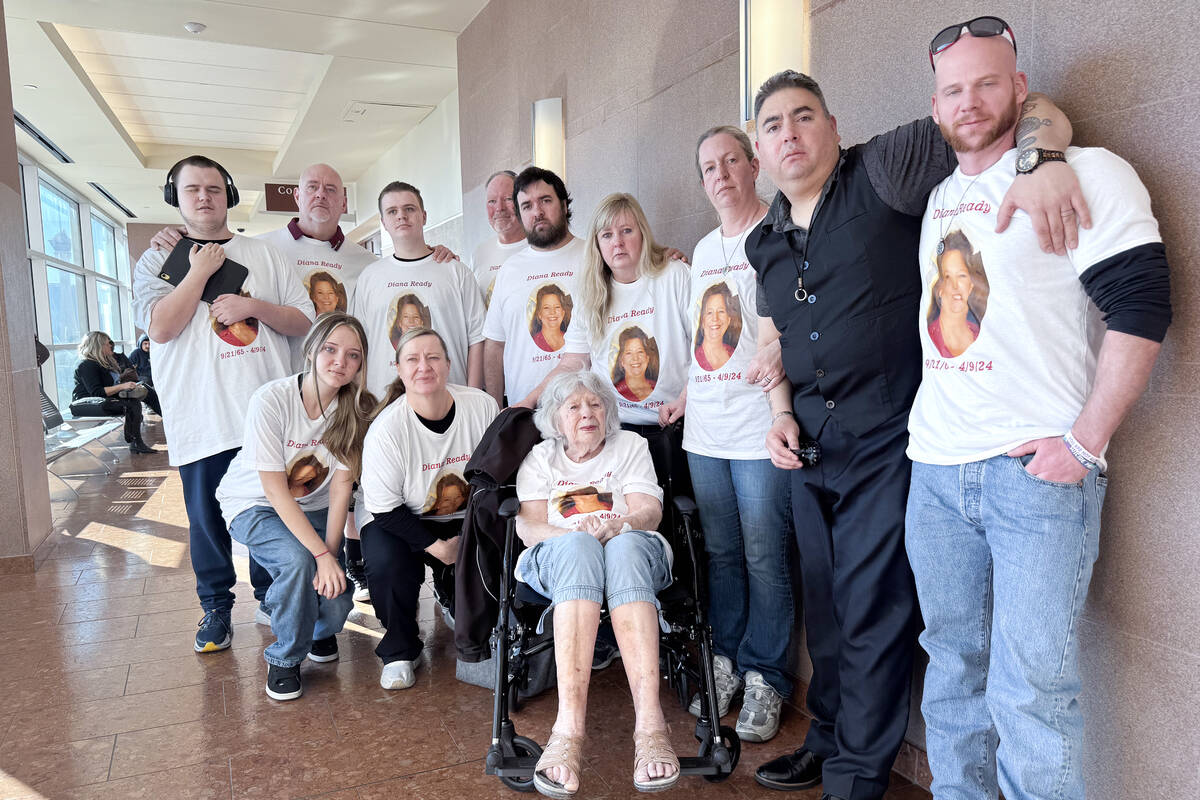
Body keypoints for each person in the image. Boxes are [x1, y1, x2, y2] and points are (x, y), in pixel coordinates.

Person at [746, 68, 1089, 798]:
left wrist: (1045, 160)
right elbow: (772, 331)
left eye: (804, 116)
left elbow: (1019, 114)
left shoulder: (883, 168)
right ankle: (830, 735)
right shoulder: (764, 243)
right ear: (759, 150)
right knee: (829, 608)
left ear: (833, 127)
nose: (790, 134)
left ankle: (854, 779)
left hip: (888, 439)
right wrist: (778, 410)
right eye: (773, 125)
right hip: (809, 444)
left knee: (872, 610)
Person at [905, 21, 1169, 800]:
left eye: (989, 83)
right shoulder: (939, 199)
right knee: (952, 678)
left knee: (1031, 696)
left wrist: (1084, 445)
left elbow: (1143, 307)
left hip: (1037, 481)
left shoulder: (1085, 172)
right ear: (936, 106)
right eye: (954, 90)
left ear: (1021, 89)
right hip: (936, 478)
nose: (971, 102)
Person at [132, 154, 315, 654]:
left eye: (213, 189)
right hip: (200, 414)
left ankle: (270, 596)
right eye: (192, 190)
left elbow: (304, 322)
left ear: (228, 194)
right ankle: (215, 606)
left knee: (269, 510)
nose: (204, 198)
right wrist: (198, 272)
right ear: (176, 198)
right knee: (206, 520)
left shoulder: (266, 254)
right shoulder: (157, 261)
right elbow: (162, 328)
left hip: (263, 416)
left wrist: (252, 306)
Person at [680, 125, 793, 743]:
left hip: (757, 429)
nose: (720, 174)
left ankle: (767, 676)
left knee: (765, 556)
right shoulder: (700, 251)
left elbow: (777, 334)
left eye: (730, 161)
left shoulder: (774, 238)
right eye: (708, 168)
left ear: (754, 166)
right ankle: (724, 660)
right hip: (705, 430)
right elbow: (703, 337)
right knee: (721, 554)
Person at [514, 369, 678, 797]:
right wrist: (575, 536)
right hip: (561, 558)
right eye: (574, 406)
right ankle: (567, 731)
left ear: (608, 411)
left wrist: (619, 524)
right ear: (555, 417)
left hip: (630, 554)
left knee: (622, 546)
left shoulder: (631, 446)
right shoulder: (539, 459)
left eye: (596, 404)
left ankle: (651, 726)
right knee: (580, 550)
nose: (587, 413)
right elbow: (530, 528)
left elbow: (649, 512)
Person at [214, 312, 375, 701]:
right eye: (331, 350)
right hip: (254, 504)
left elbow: (340, 491)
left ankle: (313, 627)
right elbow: (274, 490)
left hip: (318, 508)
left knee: (334, 601)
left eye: (353, 355)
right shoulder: (272, 399)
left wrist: (331, 557)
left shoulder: (356, 410)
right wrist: (318, 555)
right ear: (311, 350)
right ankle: (284, 658)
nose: (341, 362)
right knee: (298, 563)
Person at [357, 327, 498, 689]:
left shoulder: (481, 406)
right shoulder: (387, 430)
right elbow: (385, 510)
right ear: (400, 370)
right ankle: (401, 650)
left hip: (465, 516)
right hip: (401, 519)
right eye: (413, 359)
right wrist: (438, 548)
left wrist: (466, 541)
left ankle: (464, 604)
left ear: (449, 365)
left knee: (501, 535)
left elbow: (497, 477)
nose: (424, 366)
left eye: (433, 357)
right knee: (386, 561)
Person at [352, 182, 485, 400]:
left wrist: (473, 397)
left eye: (409, 209)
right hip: (384, 402)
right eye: (392, 211)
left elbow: (477, 340)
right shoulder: (369, 277)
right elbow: (359, 344)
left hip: (450, 399)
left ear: (423, 216)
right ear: (384, 222)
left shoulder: (456, 272)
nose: (401, 216)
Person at [70, 331, 153, 454]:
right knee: (131, 404)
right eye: (108, 343)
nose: (111, 345)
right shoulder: (86, 365)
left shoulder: (100, 364)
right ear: (98, 346)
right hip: (84, 404)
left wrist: (125, 386)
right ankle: (135, 441)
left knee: (136, 400)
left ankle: (135, 441)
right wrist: (122, 386)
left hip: (98, 401)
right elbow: (97, 392)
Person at [926, 230, 988, 358]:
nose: (955, 286)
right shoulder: (930, 337)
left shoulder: (981, 334)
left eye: (962, 276)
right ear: (939, 287)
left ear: (971, 285)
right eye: (947, 277)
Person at [471, 169, 528, 305]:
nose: (499, 208)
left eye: (508, 199)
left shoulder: (539, 247)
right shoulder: (479, 254)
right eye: (492, 201)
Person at [693, 282, 741, 372]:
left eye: (721, 311)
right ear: (702, 320)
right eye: (709, 312)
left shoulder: (734, 353)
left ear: (729, 318)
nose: (715, 318)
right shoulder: (695, 360)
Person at [610, 326, 658, 402]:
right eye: (629, 353)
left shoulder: (657, 387)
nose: (635, 358)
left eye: (640, 351)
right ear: (621, 360)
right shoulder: (615, 393)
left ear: (647, 358)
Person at [530, 283, 571, 352]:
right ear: (539, 314)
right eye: (546, 308)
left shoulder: (572, 339)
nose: (552, 312)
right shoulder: (532, 344)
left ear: (563, 312)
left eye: (557, 307)